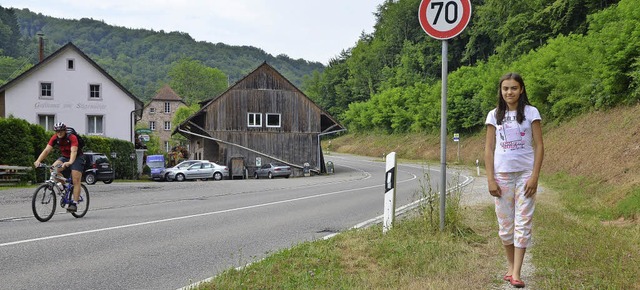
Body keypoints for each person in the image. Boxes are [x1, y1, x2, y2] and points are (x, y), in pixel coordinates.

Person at [484, 73, 544, 288]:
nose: (509, 92)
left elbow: (539, 145)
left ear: (521, 90)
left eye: (514, 88)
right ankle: (510, 266)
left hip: (525, 176)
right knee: (505, 226)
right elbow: (489, 149)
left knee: (523, 223)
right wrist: (490, 179)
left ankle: (517, 272)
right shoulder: (494, 115)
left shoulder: (531, 112)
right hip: (502, 177)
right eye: (505, 88)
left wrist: (535, 176)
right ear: (501, 91)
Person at [34, 122, 85, 212]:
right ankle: (64, 186)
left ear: (65, 130)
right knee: (53, 169)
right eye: (57, 131)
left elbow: (74, 151)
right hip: (65, 157)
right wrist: (38, 160)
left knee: (75, 179)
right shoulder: (55, 138)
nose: (59, 133)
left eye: (61, 131)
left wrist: (70, 162)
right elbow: (46, 150)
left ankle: (74, 203)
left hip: (77, 157)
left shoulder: (72, 137)